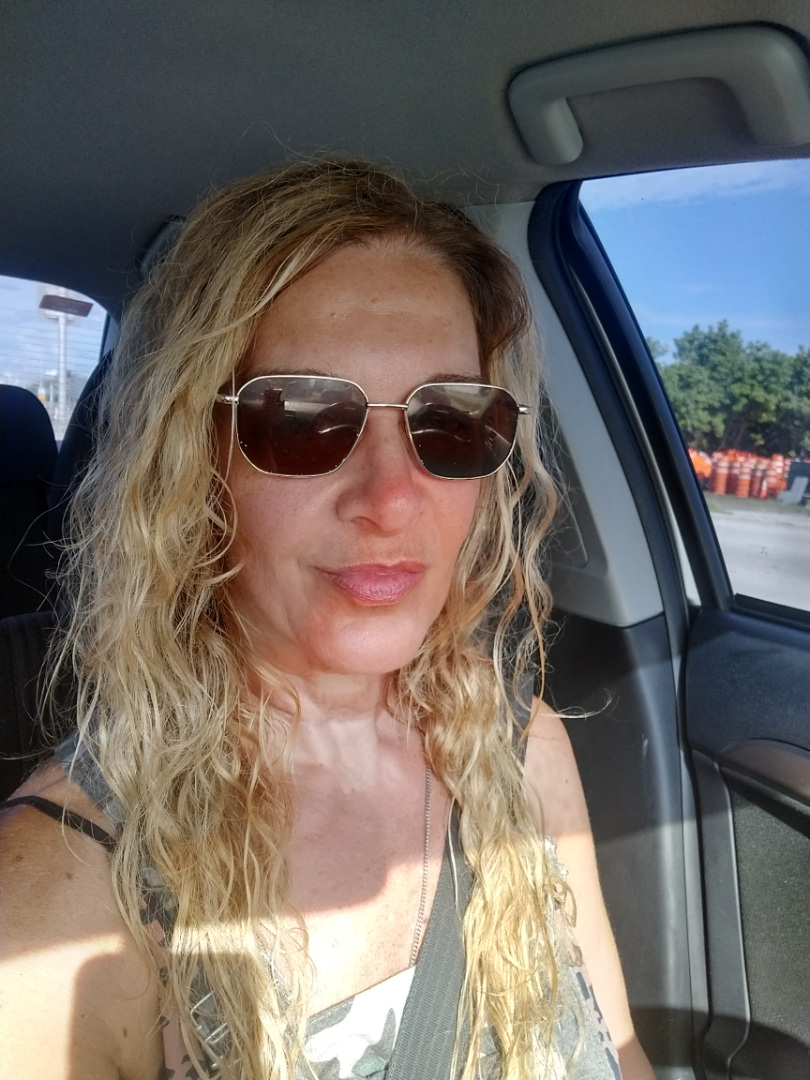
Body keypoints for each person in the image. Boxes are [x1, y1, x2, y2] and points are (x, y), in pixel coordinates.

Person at [0, 160, 654, 1080]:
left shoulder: (518, 747)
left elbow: (624, 1055)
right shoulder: (61, 902)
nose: (391, 500)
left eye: (451, 420)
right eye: (301, 419)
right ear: (193, 463)